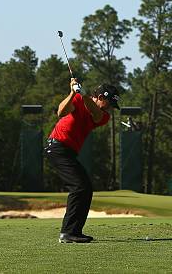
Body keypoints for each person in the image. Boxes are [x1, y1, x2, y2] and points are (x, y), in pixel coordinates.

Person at [45, 78, 119, 243]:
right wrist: (73, 93)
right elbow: (60, 112)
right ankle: (68, 233)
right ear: (100, 97)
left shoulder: (103, 115)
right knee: (80, 187)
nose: (110, 109)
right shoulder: (77, 99)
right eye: (109, 103)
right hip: (57, 148)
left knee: (85, 188)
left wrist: (83, 94)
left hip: (68, 152)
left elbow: (96, 114)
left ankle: (74, 232)